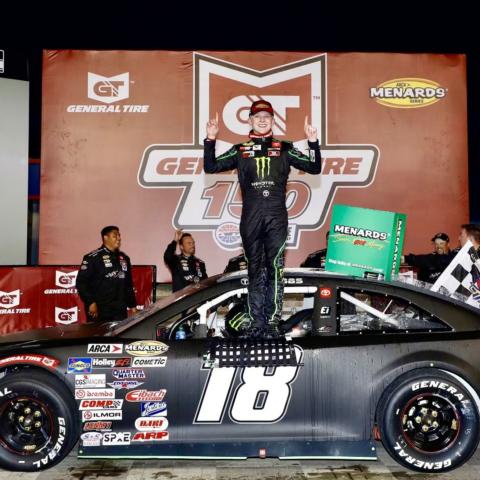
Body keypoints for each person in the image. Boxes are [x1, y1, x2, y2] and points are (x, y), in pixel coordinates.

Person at [204, 99, 321, 336]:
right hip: (251, 217)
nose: (262, 120)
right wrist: (210, 139)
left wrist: (312, 142)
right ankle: (257, 322)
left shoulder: (285, 147)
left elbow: (315, 167)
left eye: (266, 116)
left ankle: (272, 322)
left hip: (276, 216)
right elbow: (211, 166)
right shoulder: (241, 149)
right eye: (257, 116)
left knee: (275, 268)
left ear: (272, 120)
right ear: (249, 120)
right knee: (255, 269)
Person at [76, 226, 137, 322]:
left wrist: (133, 306)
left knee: (119, 336)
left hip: (119, 311)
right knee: (98, 336)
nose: (118, 238)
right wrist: (91, 302)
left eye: (119, 235)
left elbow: (128, 285)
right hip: (99, 310)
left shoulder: (124, 258)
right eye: (115, 236)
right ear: (105, 237)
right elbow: (81, 282)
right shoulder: (93, 257)